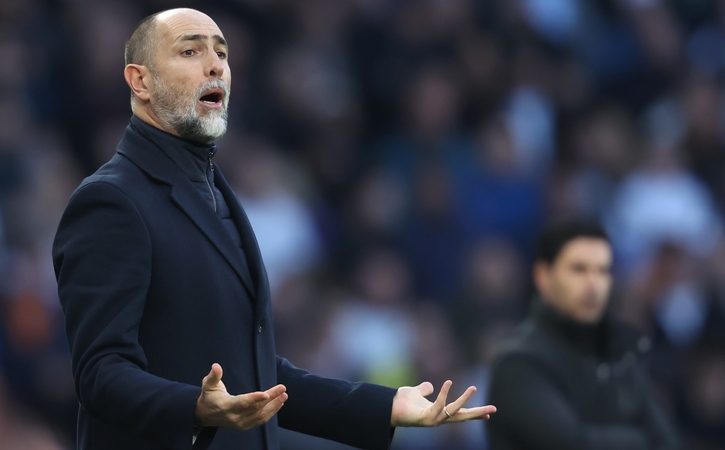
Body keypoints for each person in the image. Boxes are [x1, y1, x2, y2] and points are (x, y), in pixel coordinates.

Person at [52, 8, 495, 450]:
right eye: (190, 51)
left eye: (221, 54)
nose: (214, 65)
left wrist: (383, 406)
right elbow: (99, 373)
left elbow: (259, 376)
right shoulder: (110, 202)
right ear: (140, 81)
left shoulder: (215, 193)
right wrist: (196, 407)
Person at [486, 220, 680, 450]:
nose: (592, 284)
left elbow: (666, 440)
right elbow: (572, 444)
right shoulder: (518, 361)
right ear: (543, 276)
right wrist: (639, 439)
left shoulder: (615, 353)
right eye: (578, 269)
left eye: (601, 270)